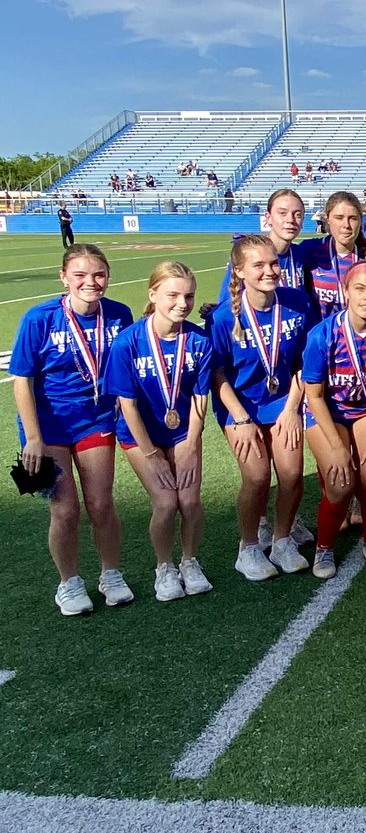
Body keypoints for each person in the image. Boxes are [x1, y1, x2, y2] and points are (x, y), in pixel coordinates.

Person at [11, 244, 136, 615]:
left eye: (98, 274)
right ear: (64, 277)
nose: (90, 282)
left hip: (96, 420)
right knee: (65, 510)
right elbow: (22, 380)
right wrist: (33, 437)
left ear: (108, 277)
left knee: (101, 503)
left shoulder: (118, 314)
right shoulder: (40, 318)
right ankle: (69, 583)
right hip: (48, 427)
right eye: (80, 275)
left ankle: (111, 574)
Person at [107, 262, 214, 601]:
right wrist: (152, 455)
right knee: (167, 503)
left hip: (184, 433)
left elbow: (200, 398)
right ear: (153, 295)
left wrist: (190, 444)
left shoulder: (198, 341)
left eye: (189, 296)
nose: (182, 303)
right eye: (173, 295)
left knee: (191, 501)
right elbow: (128, 405)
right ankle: (164, 567)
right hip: (140, 436)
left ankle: (189, 561)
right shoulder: (128, 343)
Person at [209, 235, 313, 580]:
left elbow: (304, 363)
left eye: (273, 263)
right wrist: (240, 418)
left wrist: (292, 408)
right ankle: (249, 547)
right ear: (238, 271)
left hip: (285, 400)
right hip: (240, 406)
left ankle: (282, 541)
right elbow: (218, 373)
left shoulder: (297, 302)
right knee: (256, 478)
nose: (269, 271)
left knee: (292, 475)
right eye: (258, 265)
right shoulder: (224, 317)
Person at [302, 261, 366, 579]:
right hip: (327, 412)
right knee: (340, 481)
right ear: (345, 291)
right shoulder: (323, 335)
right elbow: (314, 396)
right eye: (359, 289)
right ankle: (325, 548)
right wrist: (338, 446)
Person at [304, 191, 366, 320]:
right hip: (319, 337)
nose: (346, 225)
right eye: (339, 218)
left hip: (356, 338)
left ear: (360, 221)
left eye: (352, 218)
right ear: (328, 219)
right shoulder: (309, 250)